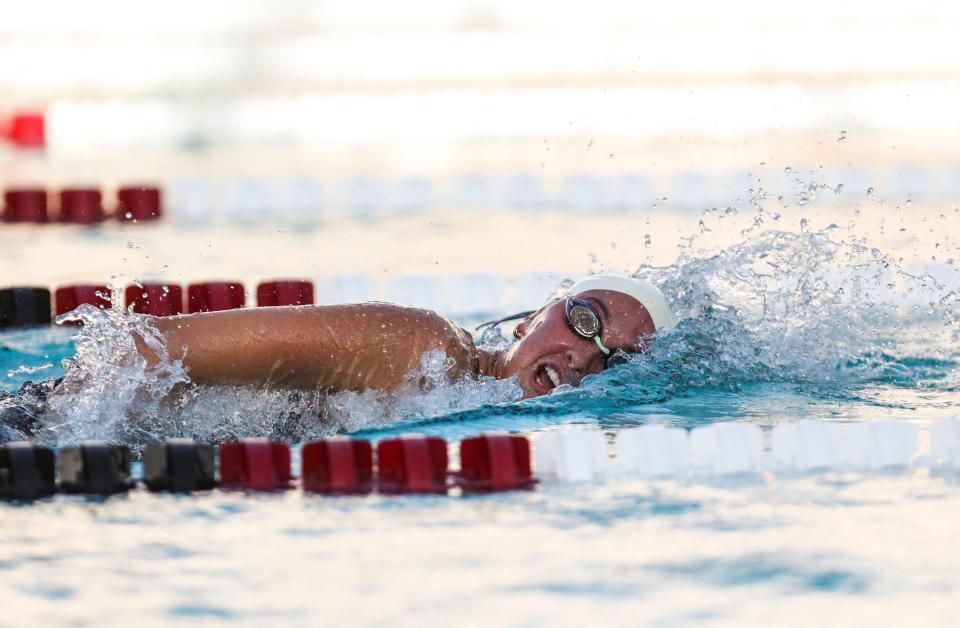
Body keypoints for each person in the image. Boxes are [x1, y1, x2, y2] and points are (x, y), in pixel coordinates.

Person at [135, 273, 676, 399]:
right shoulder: (423, 347)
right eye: (586, 322)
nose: (584, 356)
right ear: (531, 318)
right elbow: (145, 350)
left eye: (618, 361)